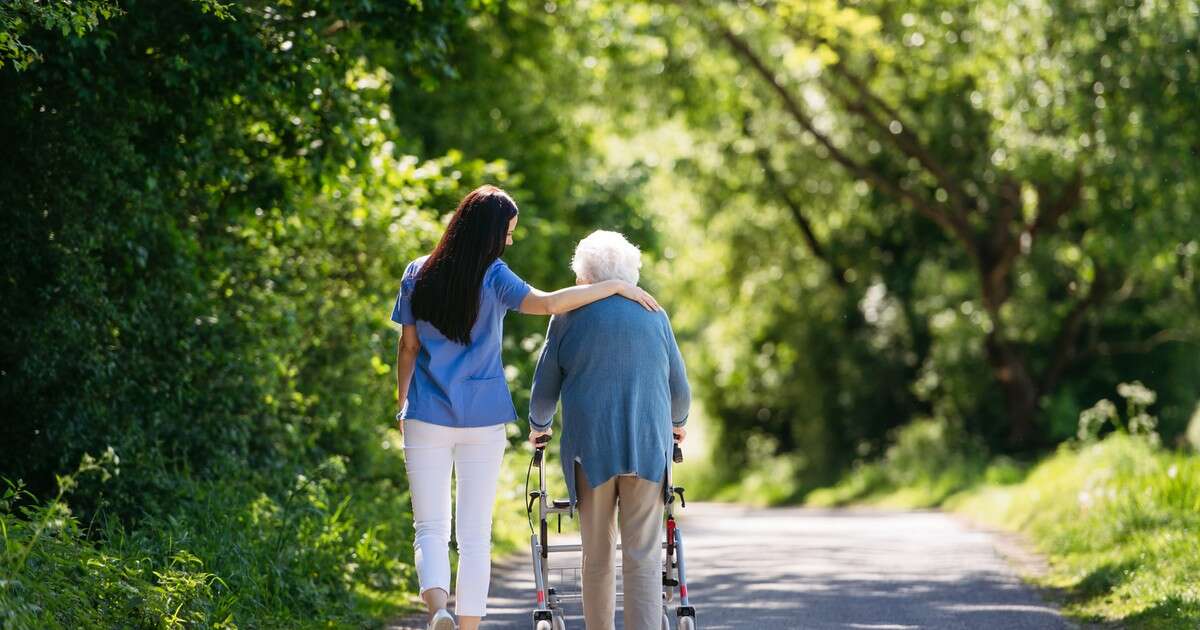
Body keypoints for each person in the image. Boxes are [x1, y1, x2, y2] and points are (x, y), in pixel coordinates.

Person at [390, 186, 660, 630]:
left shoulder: (417, 272)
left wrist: (402, 403)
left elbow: (408, 345)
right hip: (483, 416)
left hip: (425, 415)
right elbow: (551, 303)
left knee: (430, 527)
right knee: (475, 537)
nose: (510, 241)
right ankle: (470, 627)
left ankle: (439, 609)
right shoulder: (494, 275)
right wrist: (615, 286)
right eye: (508, 233)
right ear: (490, 234)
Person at [527, 230, 691, 630]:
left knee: (597, 555)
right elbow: (680, 390)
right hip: (648, 449)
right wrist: (678, 425)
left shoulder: (565, 317)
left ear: (585, 276)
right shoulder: (655, 313)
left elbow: (544, 389)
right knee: (643, 557)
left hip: (591, 450)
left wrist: (539, 428)